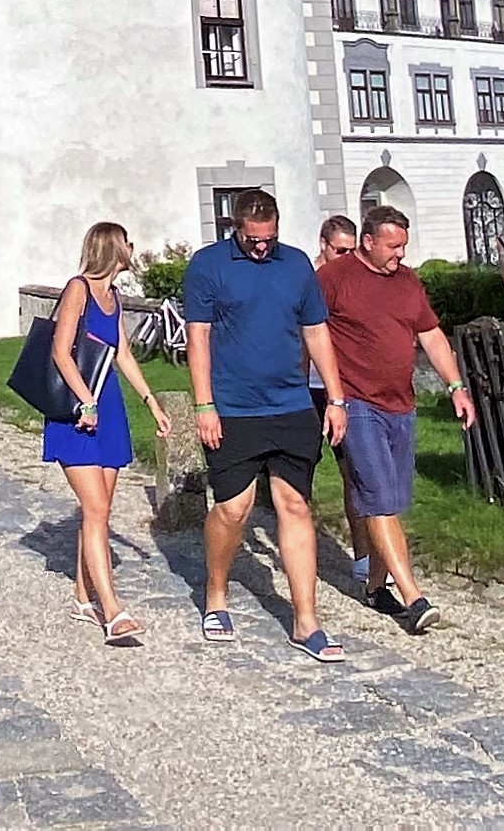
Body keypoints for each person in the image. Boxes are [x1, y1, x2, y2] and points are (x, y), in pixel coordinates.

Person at [181, 190, 351, 660]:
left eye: (269, 238)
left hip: (291, 404)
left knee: (294, 505)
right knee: (233, 509)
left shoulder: (295, 265)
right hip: (234, 407)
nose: (261, 247)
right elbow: (199, 337)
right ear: (236, 228)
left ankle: (306, 621)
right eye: (253, 239)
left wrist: (335, 398)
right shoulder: (208, 265)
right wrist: (204, 405)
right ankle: (216, 592)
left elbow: (316, 331)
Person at [321, 205, 476, 635]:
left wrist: (456, 387)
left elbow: (431, 335)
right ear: (368, 241)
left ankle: (375, 587)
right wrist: (320, 395)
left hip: (401, 406)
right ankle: (413, 596)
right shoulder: (334, 279)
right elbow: (308, 331)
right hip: (356, 403)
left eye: (403, 246)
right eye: (393, 247)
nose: (400, 255)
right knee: (377, 498)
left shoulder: (407, 281)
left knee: (390, 501)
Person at [44, 222, 174, 645]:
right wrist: (86, 401)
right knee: (96, 508)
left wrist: (151, 402)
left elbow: (123, 354)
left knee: (99, 511)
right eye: (127, 243)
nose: (133, 249)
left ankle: (83, 596)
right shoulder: (78, 289)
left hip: (109, 407)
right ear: (115, 248)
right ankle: (112, 610)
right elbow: (60, 351)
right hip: (77, 408)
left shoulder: (113, 296)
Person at [314, 216, 367, 586]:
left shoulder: (356, 280)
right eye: (340, 251)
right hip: (307, 386)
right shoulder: (307, 278)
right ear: (324, 245)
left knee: (354, 472)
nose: (346, 258)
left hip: (344, 387)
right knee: (297, 472)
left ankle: (362, 556)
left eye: (352, 251)